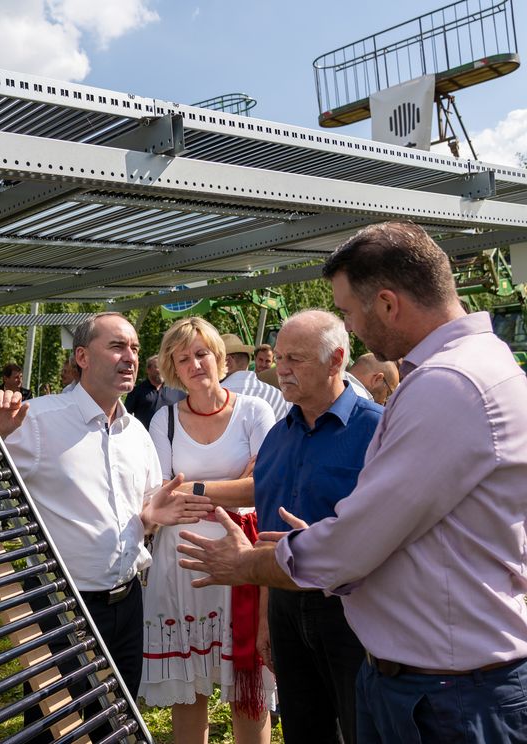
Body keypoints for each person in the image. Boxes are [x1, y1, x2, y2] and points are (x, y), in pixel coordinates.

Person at [177, 222, 527, 744]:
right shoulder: (479, 367)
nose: (352, 324)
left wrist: (250, 563)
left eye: (348, 310)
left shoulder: (447, 385)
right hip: (442, 680)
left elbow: (357, 541)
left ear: (386, 304)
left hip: (446, 695)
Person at [0, 312, 208, 737]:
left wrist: (150, 516)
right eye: (118, 346)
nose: (131, 357)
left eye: (136, 349)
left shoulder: (137, 434)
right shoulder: (36, 419)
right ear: (83, 356)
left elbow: (138, 511)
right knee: (54, 724)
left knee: (115, 718)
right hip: (64, 607)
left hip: (127, 605)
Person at [140, 318, 276, 744]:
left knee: (247, 692)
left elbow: (264, 486)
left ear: (219, 358)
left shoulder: (255, 410)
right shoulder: (162, 420)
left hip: (241, 563)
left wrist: (196, 488)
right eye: (184, 358)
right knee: (189, 690)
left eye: (202, 353)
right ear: (173, 369)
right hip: (180, 565)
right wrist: (232, 488)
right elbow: (161, 499)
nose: (195, 363)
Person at [253, 311, 382, 744]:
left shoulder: (379, 430)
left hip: (353, 610)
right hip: (287, 608)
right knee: (304, 729)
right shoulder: (277, 438)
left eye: (296, 359)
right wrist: (267, 617)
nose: (282, 369)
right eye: (281, 357)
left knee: (364, 727)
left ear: (336, 360)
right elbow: (271, 534)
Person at [220, 333, 289, 421]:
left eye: (214, 361)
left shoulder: (212, 398)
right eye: (260, 360)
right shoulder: (278, 396)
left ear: (227, 362)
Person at [124, 354, 185, 430]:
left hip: (171, 438)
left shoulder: (177, 391)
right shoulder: (137, 391)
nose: (161, 370)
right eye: (157, 367)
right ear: (148, 370)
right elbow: (125, 415)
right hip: (145, 438)